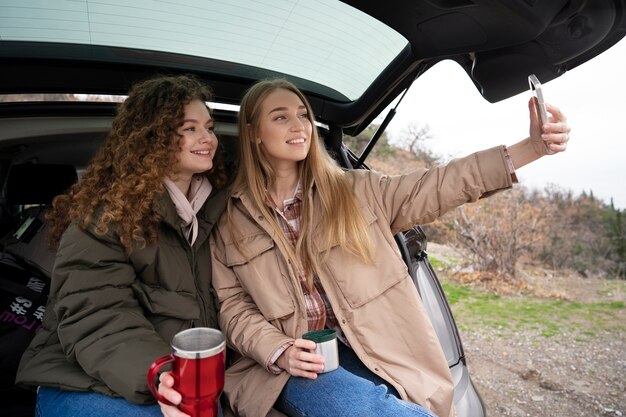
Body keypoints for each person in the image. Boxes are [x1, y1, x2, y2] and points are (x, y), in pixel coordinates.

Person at [158, 78, 570, 417]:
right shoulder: (228, 215)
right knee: (357, 406)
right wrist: (278, 350)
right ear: (253, 133)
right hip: (295, 366)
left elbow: (440, 183)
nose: (298, 125)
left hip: (382, 351)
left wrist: (530, 148)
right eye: (280, 117)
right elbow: (231, 308)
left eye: (303, 114)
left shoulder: (358, 191)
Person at [15, 74, 229, 417]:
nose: (208, 138)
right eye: (189, 128)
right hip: (85, 379)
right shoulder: (102, 217)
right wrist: (160, 373)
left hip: (184, 379)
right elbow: (97, 314)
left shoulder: (219, 209)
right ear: (152, 137)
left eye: (209, 126)